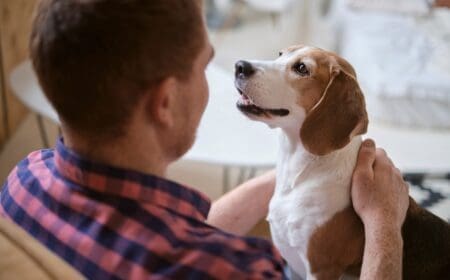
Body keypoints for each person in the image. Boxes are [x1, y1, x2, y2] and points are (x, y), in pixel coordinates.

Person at [0, 0, 409, 279]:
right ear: (165, 102)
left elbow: (184, 227)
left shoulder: (22, 181)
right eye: (204, 67)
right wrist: (382, 224)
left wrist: (298, 172)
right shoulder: (236, 269)